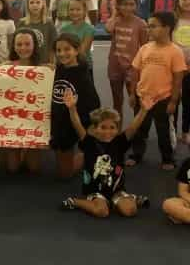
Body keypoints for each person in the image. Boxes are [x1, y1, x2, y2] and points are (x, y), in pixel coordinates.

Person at [60, 89, 151, 218]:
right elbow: (77, 124)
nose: (108, 132)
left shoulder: (120, 142)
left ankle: (130, 198)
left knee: (130, 211)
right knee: (101, 212)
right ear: (95, 128)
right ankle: (76, 201)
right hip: (94, 191)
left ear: (117, 128)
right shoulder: (89, 142)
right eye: (103, 127)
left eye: (112, 127)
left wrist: (143, 110)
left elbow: (133, 127)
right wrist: (72, 108)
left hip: (116, 191)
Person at [126, 12, 187, 170]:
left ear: (167, 28)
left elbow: (178, 79)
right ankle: (136, 154)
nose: (148, 29)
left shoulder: (175, 51)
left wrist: (173, 101)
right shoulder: (144, 48)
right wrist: (132, 94)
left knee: (163, 131)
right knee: (139, 129)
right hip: (142, 97)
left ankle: (167, 159)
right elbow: (135, 72)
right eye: (148, 26)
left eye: (153, 26)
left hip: (163, 99)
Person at [51, 33, 100, 178]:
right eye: (59, 50)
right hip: (60, 122)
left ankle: (90, 153)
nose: (62, 54)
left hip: (77, 121)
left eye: (67, 49)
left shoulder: (83, 75)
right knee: (64, 172)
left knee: (66, 173)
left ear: (77, 50)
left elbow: (94, 104)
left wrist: (87, 129)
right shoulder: (58, 70)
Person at [105, 0, 147, 121]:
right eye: (124, 4)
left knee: (135, 101)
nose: (128, 7)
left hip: (132, 68)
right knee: (117, 102)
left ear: (136, 5)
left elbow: (145, 47)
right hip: (115, 67)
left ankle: (137, 133)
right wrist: (114, 13)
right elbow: (108, 29)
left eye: (131, 4)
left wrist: (143, 67)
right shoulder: (115, 21)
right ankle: (116, 131)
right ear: (118, 6)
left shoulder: (140, 24)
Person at [5, 28, 42, 173]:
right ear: (13, 46)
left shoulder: (43, 69)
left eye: (27, 44)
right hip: (12, 119)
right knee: (12, 169)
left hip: (33, 121)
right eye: (19, 44)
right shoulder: (6, 66)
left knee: (33, 169)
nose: (23, 48)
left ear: (34, 46)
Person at [60, 0, 95, 81]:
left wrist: (66, 54)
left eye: (78, 9)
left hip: (83, 66)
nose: (74, 12)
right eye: (71, 9)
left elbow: (83, 51)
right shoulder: (64, 29)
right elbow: (61, 49)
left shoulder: (89, 29)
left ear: (84, 11)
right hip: (67, 65)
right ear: (68, 11)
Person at [18, 0, 56, 65]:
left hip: (44, 63)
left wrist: (52, 63)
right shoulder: (22, 23)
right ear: (27, 5)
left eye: (38, 2)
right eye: (31, 2)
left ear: (43, 4)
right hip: (26, 63)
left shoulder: (49, 23)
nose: (35, 5)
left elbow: (52, 46)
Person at [173, 0, 190, 144]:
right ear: (178, 1)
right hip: (174, 67)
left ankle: (185, 132)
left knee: (188, 101)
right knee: (174, 100)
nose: (187, 1)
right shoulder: (173, 20)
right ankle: (173, 131)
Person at [162, 156, 190, 224]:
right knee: (168, 204)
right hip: (188, 200)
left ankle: (181, 217)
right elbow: (183, 192)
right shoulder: (188, 163)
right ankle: (183, 216)